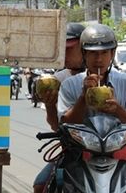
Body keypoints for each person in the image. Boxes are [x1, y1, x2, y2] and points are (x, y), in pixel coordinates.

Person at [57, 24, 126, 193]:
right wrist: (83, 97)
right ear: (84, 54)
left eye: (104, 52)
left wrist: (118, 110)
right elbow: (65, 123)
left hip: (120, 149)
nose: (99, 59)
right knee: (42, 182)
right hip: (79, 151)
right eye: (93, 53)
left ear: (112, 54)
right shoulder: (70, 85)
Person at [33, 22, 85, 193]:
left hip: (111, 150)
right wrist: (49, 104)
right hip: (73, 151)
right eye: (62, 50)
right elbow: (56, 127)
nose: (64, 55)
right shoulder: (58, 80)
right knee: (40, 185)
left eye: (69, 49)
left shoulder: (113, 77)